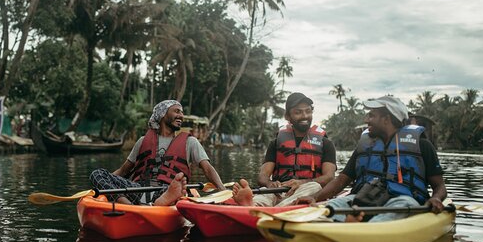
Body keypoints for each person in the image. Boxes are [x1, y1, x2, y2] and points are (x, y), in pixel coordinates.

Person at [296, 95, 447, 222]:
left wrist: (436, 199)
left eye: (372, 115)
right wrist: (314, 197)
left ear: (386, 119)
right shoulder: (365, 146)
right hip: (364, 198)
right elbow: (341, 180)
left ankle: (361, 228)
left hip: (402, 201)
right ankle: (322, 223)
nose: (367, 119)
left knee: (403, 204)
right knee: (332, 206)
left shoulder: (422, 145)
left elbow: (440, 186)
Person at [89, 100, 225, 206]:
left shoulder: (190, 142)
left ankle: (164, 199)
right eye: (176, 111)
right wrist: (104, 185)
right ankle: (129, 205)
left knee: (175, 190)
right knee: (97, 174)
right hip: (137, 189)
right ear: (162, 114)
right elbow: (123, 171)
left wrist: (223, 191)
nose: (181, 116)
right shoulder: (143, 141)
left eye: (182, 112)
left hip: (168, 189)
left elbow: (208, 169)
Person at [233, 92, 337, 206]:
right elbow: (263, 176)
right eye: (298, 112)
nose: (305, 116)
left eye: (308, 111)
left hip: (307, 190)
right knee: (266, 193)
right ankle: (253, 205)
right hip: (279, 190)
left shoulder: (326, 143)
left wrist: (301, 182)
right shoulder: (276, 143)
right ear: (288, 116)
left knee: (314, 186)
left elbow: (329, 177)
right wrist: (269, 183)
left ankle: (274, 210)